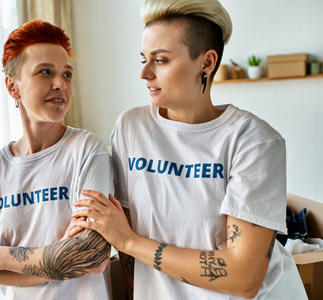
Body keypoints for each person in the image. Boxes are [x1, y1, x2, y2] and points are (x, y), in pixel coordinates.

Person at [72, 0, 308, 299]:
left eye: (160, 60)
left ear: (206, 62)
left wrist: (129, 241)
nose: (144, 73)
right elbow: (129, 245)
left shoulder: (254, 141)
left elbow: (244, 278)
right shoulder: (131, 128)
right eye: (143, 58)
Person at [0, 19, 113, 300]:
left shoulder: (88, 150)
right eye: (45, 72)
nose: (60, 85)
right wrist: (58, 257)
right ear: (12, 86)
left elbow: (90, 256)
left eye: (67, 75)